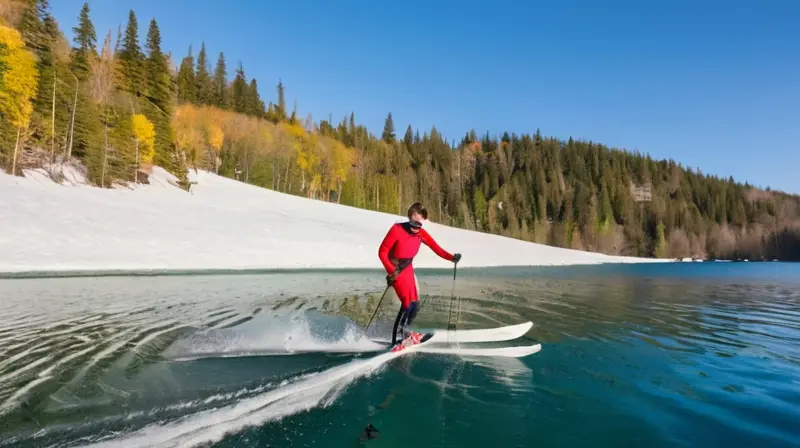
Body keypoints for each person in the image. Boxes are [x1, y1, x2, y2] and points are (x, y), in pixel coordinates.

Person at [378, 202, 461, 351]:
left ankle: (406, 331)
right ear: (411, 214)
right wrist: (391, 271)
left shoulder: (421, 233)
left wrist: (451, 258)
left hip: (407, 268)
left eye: (422, 217)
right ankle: (397, 339)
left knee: (415, 305)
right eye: (418, 215)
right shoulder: (397, 229)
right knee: (407, 303)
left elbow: (437, 248)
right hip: (396, 269)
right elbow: (382, 252)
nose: (419, 220)